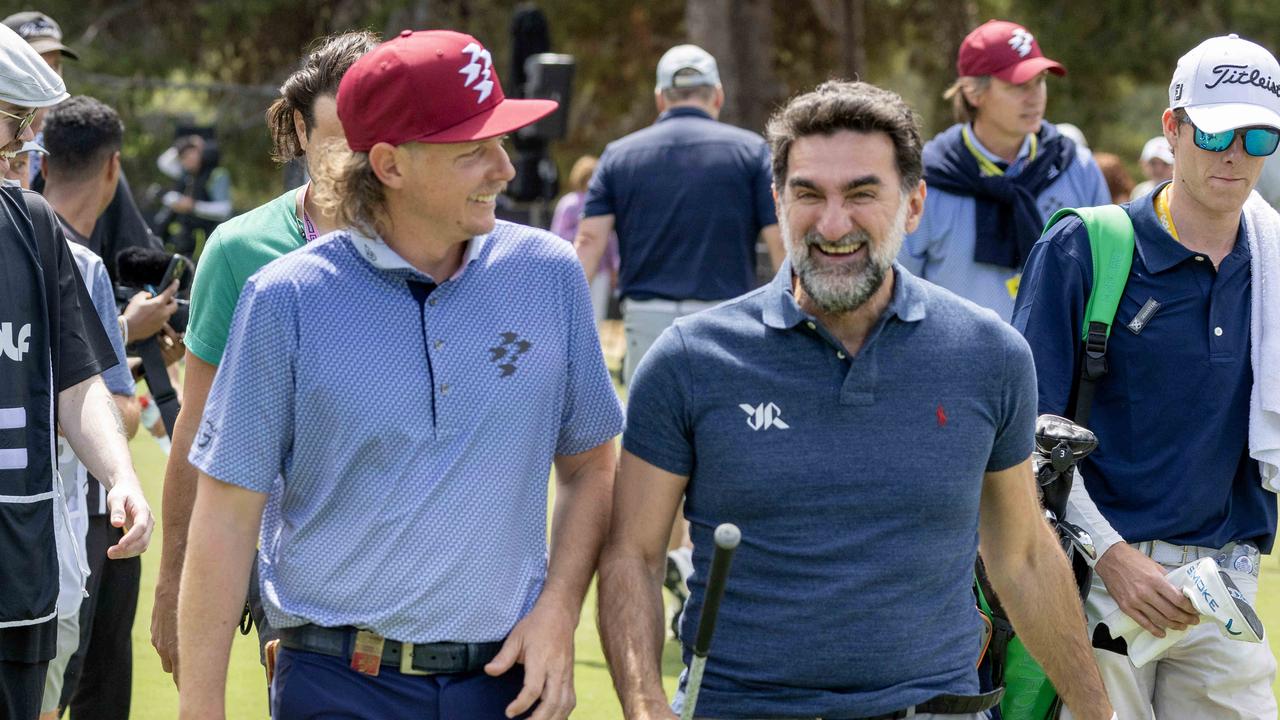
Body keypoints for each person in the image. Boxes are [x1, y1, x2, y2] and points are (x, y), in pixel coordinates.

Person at [597, 79, 1114, 720]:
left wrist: (1096, 710)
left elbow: (1024, 555)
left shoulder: (992, 355)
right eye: (808, 194)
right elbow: (634, 555)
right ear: (778, 202)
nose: (832, 223)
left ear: (915, 204)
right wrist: (645, 706)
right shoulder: (688, 360)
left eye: (863, 193)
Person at [178, 30, 622, 720]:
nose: (505, 168)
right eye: (473, 150)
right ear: (388, 164)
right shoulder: (284, 298)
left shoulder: (550, 274)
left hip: (506, 685)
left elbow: (592, 466)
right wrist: (200, 710)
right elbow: (226, 519)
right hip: (337, 683)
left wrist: (560, 608)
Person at [1012, 33, 1280, 719]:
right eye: (1216, 131)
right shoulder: (1084, 246)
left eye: (1258, 139)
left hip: (1226, 587)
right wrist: (1112, 558)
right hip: (1095, 582)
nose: (1234, 156)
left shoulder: (1272, 261)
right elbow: (1020, 434)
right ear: (1174, 126)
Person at [148, 29, 379, 686]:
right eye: (338, 136)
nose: (357, 155)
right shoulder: (241, 249)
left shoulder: (433, 245)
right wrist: (171, 579)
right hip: (297, 584)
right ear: (302, 134)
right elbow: (196, 426)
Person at [0, 25, 153, 720]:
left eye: (27, 128)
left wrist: (120, 477)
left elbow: (79, 380)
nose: (27, 148)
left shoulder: (32, 229)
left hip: (20, 578)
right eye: (13, 127)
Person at [574, 43, 782, 385]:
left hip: (647, 318)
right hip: (727, 317)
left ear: (660, 99)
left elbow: (588, 241)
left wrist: (563, 324)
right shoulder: (751, 151)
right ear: (717, 95)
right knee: (723, 431)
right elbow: (781, 242)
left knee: (651, 435)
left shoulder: (617, 155)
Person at [37, 95, 142, 720]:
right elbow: (117, 412)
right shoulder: (81, 265)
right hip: (58, 537)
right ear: (113, 169)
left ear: (39, 160)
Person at [900, 19, 1108, 321]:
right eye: (1018, 85)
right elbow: (901, 291)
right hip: (959, 365)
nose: (1035, 96)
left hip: (1060, 364)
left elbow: (1106, 275)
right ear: (973, 93)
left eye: (1040, 81)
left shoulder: (1076, 167)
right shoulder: (927, 181)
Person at [3, 10, 165, 283]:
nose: (47, 76)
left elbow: (131, 240)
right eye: (36, 63)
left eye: (54, 66)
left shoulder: (87, 148)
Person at [551, 155, 616, 324]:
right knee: (574, 316)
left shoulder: (603, 203)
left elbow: (610, 239)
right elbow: (558, 235)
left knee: (597, 315)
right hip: (574, 267)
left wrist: (613, 265)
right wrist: (585, 233)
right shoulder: (569, 204)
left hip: (601, 270)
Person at [155, 133, 233, 258]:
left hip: (212, 241)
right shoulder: (186, 174)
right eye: (183, 157)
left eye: (192, 153)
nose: (188, 159)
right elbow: (163, 163)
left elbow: (225, 210)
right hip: (187, 243)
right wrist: (187, 142)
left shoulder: (217, 174)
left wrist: (193, 206)